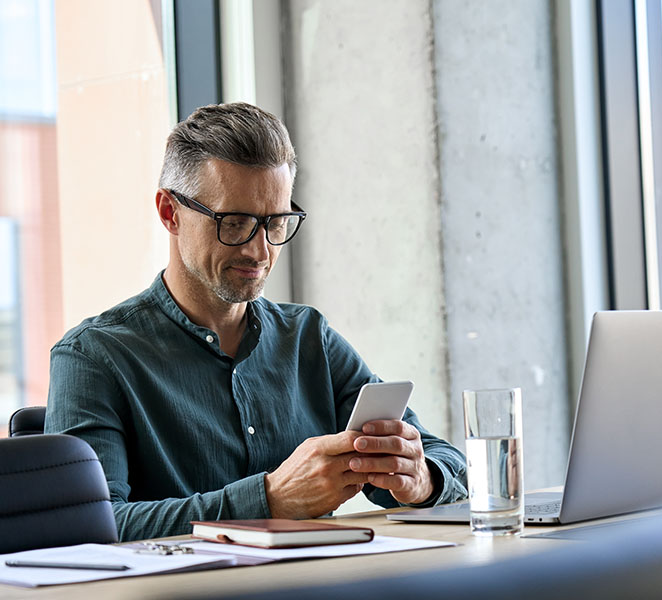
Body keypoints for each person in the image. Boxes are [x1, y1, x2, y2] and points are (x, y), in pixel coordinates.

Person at [45, 102, 468, 541]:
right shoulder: (94, 357)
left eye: (275, 223)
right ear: (170, 213)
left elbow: (442, 457)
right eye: (235, 223)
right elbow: (89, 525)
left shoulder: (308, 338)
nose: (259, 250)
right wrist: (268, 500)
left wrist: (419, 479)